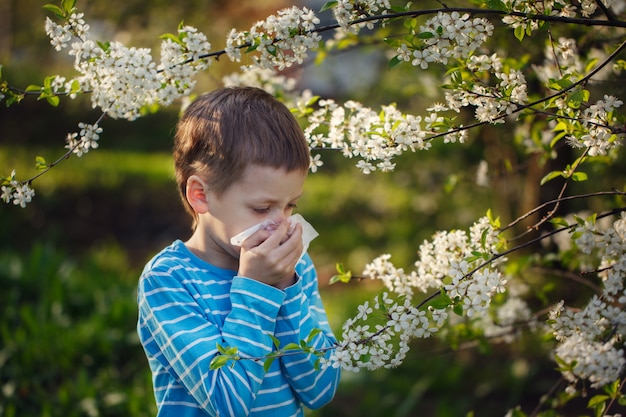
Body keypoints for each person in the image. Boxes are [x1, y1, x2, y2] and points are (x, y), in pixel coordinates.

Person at [136, 86, 340, 417]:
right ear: (200, 195)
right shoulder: (168, 280)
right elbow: (227, 402)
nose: (281, 224)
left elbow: (320, 389)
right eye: (262, 208)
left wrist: (286, 287)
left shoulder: (294, 269)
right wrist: (257, 289)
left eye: (290, 205)